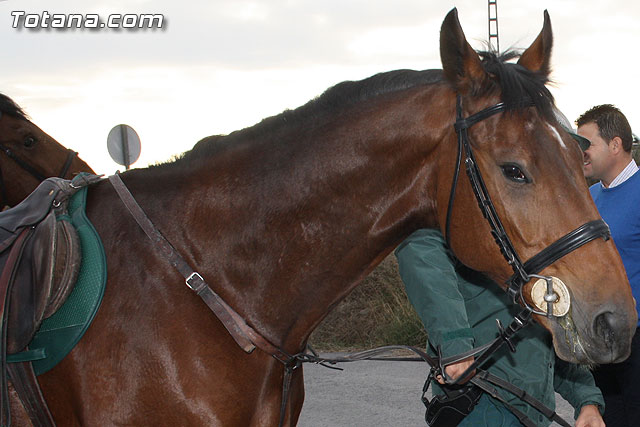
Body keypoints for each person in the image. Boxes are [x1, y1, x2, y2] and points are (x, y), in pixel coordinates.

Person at [395, 229, 605, 427]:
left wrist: (587, 401)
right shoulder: (471, 209)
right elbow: (418, 242)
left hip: (533, 415)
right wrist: (455, 344)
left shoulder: (537, 247)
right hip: (481, 406)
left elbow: (550, 345)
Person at [577, 104, 640, 426]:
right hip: (599, 340)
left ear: (615, 145)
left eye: (586, 143)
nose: (581, 152)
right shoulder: (585, 198)